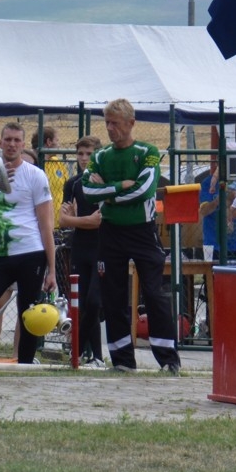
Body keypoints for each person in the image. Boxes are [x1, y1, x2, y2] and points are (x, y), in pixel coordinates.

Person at [81, 99, 180, 374]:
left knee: (154, 293)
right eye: (107, 123)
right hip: (110, 232)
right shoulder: (101, 156)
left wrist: (108, 193)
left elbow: (144, 190)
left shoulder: (147, 152)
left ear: (131, 123)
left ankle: (168, 360)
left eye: (115, 123)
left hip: (143, 231)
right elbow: (87, 190)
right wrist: (118, 186)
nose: (110, 128)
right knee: (113, 296)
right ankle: (123, 360)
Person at [0, 122, 56, 364]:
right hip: (0, 254)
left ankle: (24, 362)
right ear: (0, 142)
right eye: (8, 139)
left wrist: (51, 270)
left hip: (31, 251)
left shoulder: (35, 175)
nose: (12, 144)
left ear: (23, 145)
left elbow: (46, 224)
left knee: (29, 312)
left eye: (17, 140)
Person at [56, 136, 105, 364]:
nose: (84, 159)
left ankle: (84, 351)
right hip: (80, 247)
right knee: (82, 304)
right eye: (80, 154)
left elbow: (101, 221)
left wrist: (78, 220)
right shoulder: (73, 184)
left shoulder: (104, 181)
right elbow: (63, 220)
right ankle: (88, 354)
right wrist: (84, 221)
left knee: (95, 302)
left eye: (89, 154)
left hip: (102, 248)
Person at [195, 156, 236, 261]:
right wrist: (219, 199)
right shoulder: (208, 183)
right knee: (210, 270)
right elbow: (204, 211)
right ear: (218, 165)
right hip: (212, 243)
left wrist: (234, 198)